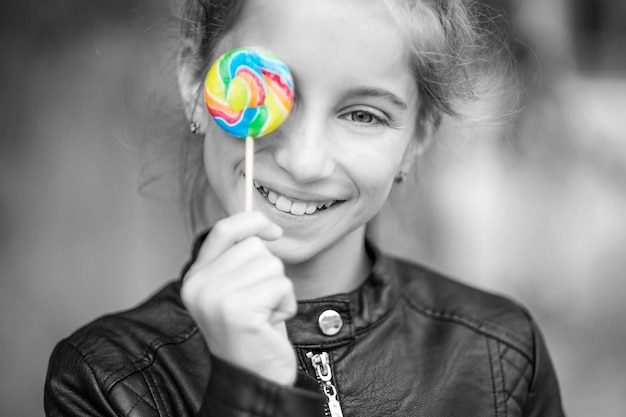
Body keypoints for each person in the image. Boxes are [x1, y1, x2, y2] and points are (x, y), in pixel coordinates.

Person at [44, 0, 565, 415]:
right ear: (196, 84)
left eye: (363, 115)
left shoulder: (499, 354)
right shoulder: (104, 379)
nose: (305, 161)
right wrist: (246, 394)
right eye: (271, 92)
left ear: (417, 137)